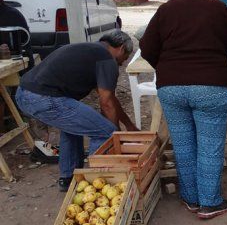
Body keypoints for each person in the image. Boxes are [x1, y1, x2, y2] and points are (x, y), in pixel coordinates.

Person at [140, 0, 227, 220]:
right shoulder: (218, 9)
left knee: (183, 144)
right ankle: (210, 203)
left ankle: (190, 198)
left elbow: (146, 48)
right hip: (212, 88)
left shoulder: (165, 10)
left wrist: (168, 69)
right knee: (210, 147)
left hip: (171, 90)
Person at [14, 31, 137, 190]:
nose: (121, 63)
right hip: (44, 98)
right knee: (105, 131)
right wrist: (116, 134)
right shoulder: (108, 60)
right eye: (124, 58)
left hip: (23, 94)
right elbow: (106, 103)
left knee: (74, 126)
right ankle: (96, 186)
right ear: (121, 48)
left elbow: (110, 99)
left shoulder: (90, 51)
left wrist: (129, 125)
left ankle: (69, 179)